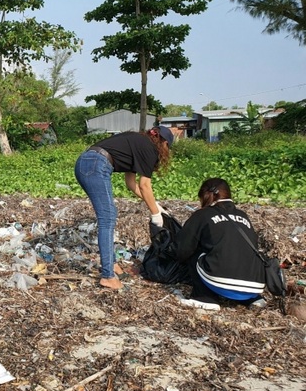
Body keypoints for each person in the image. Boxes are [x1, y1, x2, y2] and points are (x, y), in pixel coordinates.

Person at [75, 126, 174, 290]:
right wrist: (156, 215)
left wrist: (155, 205)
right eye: (167, 147)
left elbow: (131, 184)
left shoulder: (138, 143)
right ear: (163, 143)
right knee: (107, 218)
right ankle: (108, 276)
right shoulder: (149, 149)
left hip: (87, 162)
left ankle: (111, 265)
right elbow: (145, 186)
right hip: (96, 164)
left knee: (109, 214)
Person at [174, 178, 266, 311]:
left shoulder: (202, 215)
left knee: (194, 250)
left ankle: (204, 297)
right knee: (240, 249)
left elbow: (182, 250)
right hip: (254, 284)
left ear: (205, 195)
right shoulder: (243, 215)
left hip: (221, 281)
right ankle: (254, 299)